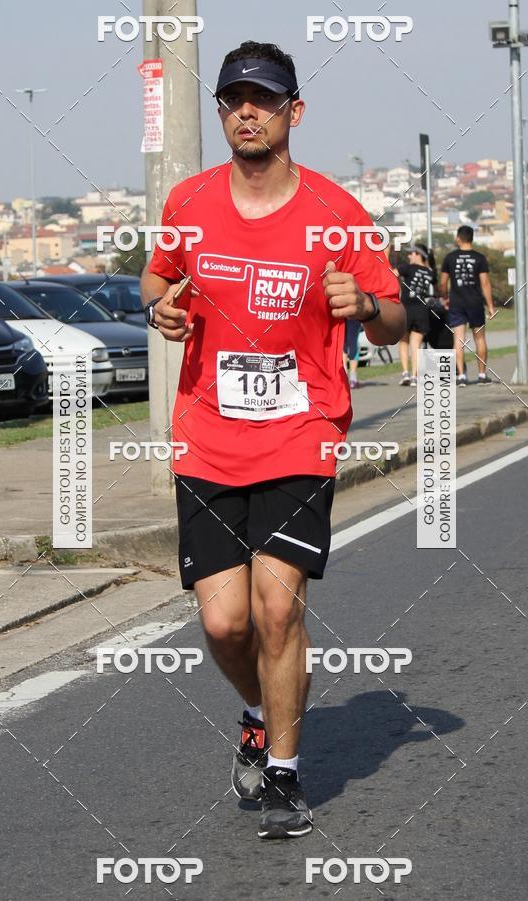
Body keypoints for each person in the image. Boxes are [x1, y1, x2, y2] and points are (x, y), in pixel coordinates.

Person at [140, 41, 404, 840]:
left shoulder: (337, 214)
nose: (246, 111)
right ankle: (257, 712)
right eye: (233, 99)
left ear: (295, 110)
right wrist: (161, 308)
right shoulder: (188, 203)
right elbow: (156, 277)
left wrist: (361, 304)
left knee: (277, 607)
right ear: (221, 111)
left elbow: (395, 318)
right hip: (209, 435)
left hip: (300, 431)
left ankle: (285, 774)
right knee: (224, 622)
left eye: (263, 97)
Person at [440, 225, 496, 386]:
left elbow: (443, 283)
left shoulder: (450, 258)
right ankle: (482, 375)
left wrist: (444, 298)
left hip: (457, 303)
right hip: (476, 303)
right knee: (480, 338)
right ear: (471, 238)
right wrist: (490, 306)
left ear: (459, 238)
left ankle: (461, 377)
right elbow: (485, 283)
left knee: (458, 339)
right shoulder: (479, 258)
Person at [396, 244, 436, 387]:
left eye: (411, 253)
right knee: (416, 344)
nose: (409, 256)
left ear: (418, 254)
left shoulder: (407, 268)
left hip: (406, 308)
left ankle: (405, 373)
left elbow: (391, 273)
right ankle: (414, 376)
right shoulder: (430, 272)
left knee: (403, 341)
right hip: (422, 309)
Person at [344, 318, 362, 388]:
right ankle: (352, 378)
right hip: (353, 313)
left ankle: (346, 377)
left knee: (343, 343)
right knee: (353, 343)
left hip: (340, 313)